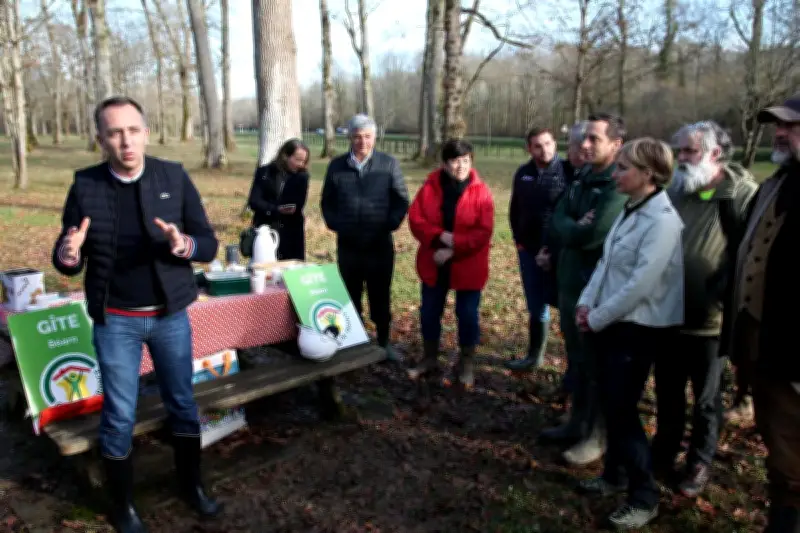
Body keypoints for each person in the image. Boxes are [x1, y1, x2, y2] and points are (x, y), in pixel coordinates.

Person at [52, 96, 221, 533]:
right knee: (120, 414)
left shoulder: (173, 176)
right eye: (114, 132)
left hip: (169, 317)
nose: (125, 140)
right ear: (101, 140)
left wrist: (184, 245)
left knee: (182, 403)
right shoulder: (85, 186)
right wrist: (69, 254)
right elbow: (67, 250)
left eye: (132, 130)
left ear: (145, 132)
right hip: (116, 321)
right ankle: (124, 506)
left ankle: (192, 486)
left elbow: (208, 243)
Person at [576, 137, 684, 530]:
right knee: (612, 404)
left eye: (624, 168)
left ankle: (644, 496)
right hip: (613, 322)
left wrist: (598, 317)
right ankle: (613, 476)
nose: (616, 173)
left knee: (622, 412)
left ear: (648, 174)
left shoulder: (663, 221)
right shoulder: (632, 209)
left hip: (639, 328)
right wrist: (585, 304)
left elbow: (640, 284)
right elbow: (606, 265)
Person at [651, 121, 757, 497]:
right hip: (668, 315)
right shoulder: (678, 189)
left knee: (707, 400)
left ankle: (699, 461)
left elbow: (752, 255)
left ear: (714, 153)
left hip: (711, 323)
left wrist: (723, 291)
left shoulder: (740, 194)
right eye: (679, 151)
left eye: (689, 152)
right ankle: (663, 450)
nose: (680, 159)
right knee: (668, 392)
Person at [728, 93, 800, 533]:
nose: (780, 132)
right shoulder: (774, 184)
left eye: (791, 126)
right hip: (760, 335)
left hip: (795, 345)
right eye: (778, 125)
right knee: (778, 437)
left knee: (793, 446)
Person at [539, 113, 627, 468]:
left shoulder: (617, 183)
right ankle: (577, 421)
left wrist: (572, 228)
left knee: (597, 365)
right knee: (577, 359)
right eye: (583, 138)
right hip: (570, 283)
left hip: (598, 290)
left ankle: (597, 435)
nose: (585, 145)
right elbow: (557, 217)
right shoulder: (583, 177)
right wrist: (571, 225)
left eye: (595, 139)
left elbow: (594, 235)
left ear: (616, 144)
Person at [406, 139, 495, 388]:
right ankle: (430, 357)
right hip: (434, 261)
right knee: (429, 312)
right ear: (444, 163)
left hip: (468, 264)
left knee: (467, 314)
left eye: (466, 160)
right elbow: (416, 219)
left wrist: (454, 247)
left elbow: (483, 232)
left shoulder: (481, 191)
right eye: (455, 161)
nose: (461, 166)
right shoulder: (430, 186)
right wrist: (439, 237)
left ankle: (466, 362)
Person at [320, 114, 410, 361]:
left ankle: (383, 342)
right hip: (348, 244)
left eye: (367, 137)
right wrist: (336, 224)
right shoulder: (337, 166)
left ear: (375, 137)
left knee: (380, 295)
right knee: (350, 294)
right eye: (357, 137)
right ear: (349, 137)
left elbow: (401, 199)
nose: (362, 142)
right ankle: (354, 342)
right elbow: (326, 201)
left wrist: (389, 224)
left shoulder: (388, 164)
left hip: (379, 244)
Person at [505, 128, 566, 372]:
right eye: (538, 146)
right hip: (528, 251)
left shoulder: (567, 172)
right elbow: (514, 210)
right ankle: (534, 356)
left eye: (549, 143)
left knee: (566, 306)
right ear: (529, 148)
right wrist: (519, 241)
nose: (545, 150)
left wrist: (552, 249)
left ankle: (573, 366)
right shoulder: (523, 173)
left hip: (558, 254)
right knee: (536, 305)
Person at [247, 138, 310, 260]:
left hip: (291, 232)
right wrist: (275, 209)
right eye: (297, 160)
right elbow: (254, 201)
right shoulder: (264, 173)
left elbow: (298, 203)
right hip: (266, 229)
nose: (300, 164)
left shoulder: (302, 177)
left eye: (303, 161)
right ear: (285, 156)